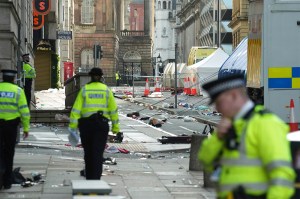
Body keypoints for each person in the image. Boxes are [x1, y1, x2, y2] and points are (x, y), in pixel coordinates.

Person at [198, 75, 295, 199]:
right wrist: (218, 137)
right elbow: (205, 159)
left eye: (219, 102)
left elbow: (282, 175)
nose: (217, 108)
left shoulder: (265, 124)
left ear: (234, 96)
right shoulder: (230, 124)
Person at [69, 67, 120, 180]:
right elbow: (113, 110)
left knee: (88, 152)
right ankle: (96, 177)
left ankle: (89, 175)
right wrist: (116, 127)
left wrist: (72, 127)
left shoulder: (85, 89)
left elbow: (76, 110)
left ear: (90, 76)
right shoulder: (106, 90)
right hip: (101, 125)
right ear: (101, 77)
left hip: (86, 125)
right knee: (98, 152)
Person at [0, 69, 30, 190]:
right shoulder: (18, 91)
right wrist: (26, 128)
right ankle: (7, 181)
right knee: (9, 151)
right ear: (13, 79)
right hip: (11, 126)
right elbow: (24, 110)